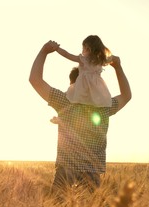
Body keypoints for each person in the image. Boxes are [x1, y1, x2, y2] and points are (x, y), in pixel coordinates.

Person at [29, 40, 132, 194]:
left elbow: (35, 79)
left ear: (73, 84)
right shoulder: (104, 107)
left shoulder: (64, 102)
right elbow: (126, 95)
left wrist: (44, 51)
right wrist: (118, 68)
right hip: (92, 174)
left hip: (65, 171)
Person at [56, 35, 113, 107]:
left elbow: (68, 55)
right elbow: (111, 59)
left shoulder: (84, 60)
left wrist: (57, 48)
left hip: (83, 88)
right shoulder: (100, 61)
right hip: (96, 89)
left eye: (83, 48)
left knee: (81, 101)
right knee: (94, 102)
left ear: (88, 48)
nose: (82, 50)